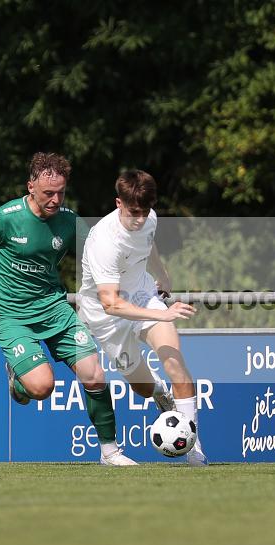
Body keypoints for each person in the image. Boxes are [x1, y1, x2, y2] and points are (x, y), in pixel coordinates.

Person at [0, 152, 136, 466]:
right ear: (30, 187)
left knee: (95, 375)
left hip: (53, 308)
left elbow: (105, 257)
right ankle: (17, 379)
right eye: (48, 193)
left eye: (61, 193)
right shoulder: (5, 217)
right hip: (10, 314)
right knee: (41, 387)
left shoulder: (69, 222)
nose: (55, 200)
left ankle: (110, 452)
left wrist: (137, 282)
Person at [77, 169, 208, 466]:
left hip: (143, 295)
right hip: (106, 316)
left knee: (174, 362)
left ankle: (194, 449)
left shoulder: (149, 217)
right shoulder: (103, 241)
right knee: (142, 387)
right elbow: (111, 303)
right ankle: (160, 394)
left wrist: (162, 275)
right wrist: (163, 314)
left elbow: (148, 244)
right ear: (118, 203)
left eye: (145, 211)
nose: (139, 218)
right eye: (133, 212)